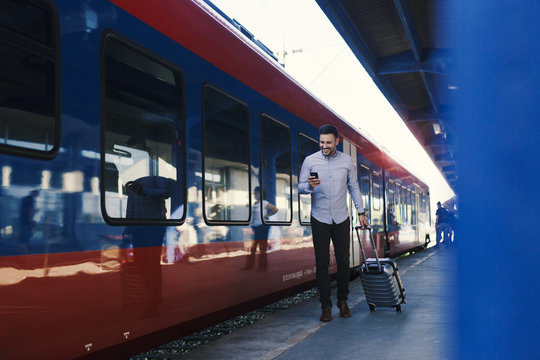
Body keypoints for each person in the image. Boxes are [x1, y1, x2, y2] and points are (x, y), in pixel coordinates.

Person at [299, 124, 369, 322]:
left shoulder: (347, 161)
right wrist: (309, 187)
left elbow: (354, 187)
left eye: (328, 142)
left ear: (337, 141)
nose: (324, 146)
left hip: (341, 218)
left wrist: (361, 212)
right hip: (319, 217)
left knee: (344, 262)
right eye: (322, 142)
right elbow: (300, 187)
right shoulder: (310, 161)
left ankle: (343, 301)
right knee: (321, 264)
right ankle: (325, 306)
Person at [242, 186, 278, 271]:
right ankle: (250, 266)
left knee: (262, 248)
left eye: (257, 193)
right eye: (255, 193)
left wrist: (266, 216)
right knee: (253, 248)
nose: (255, 195)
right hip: (255, 228)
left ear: (261, 194)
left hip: (262, 227)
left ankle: (262, 267)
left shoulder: (264, 203)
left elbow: (275, 209)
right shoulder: (255, 204)